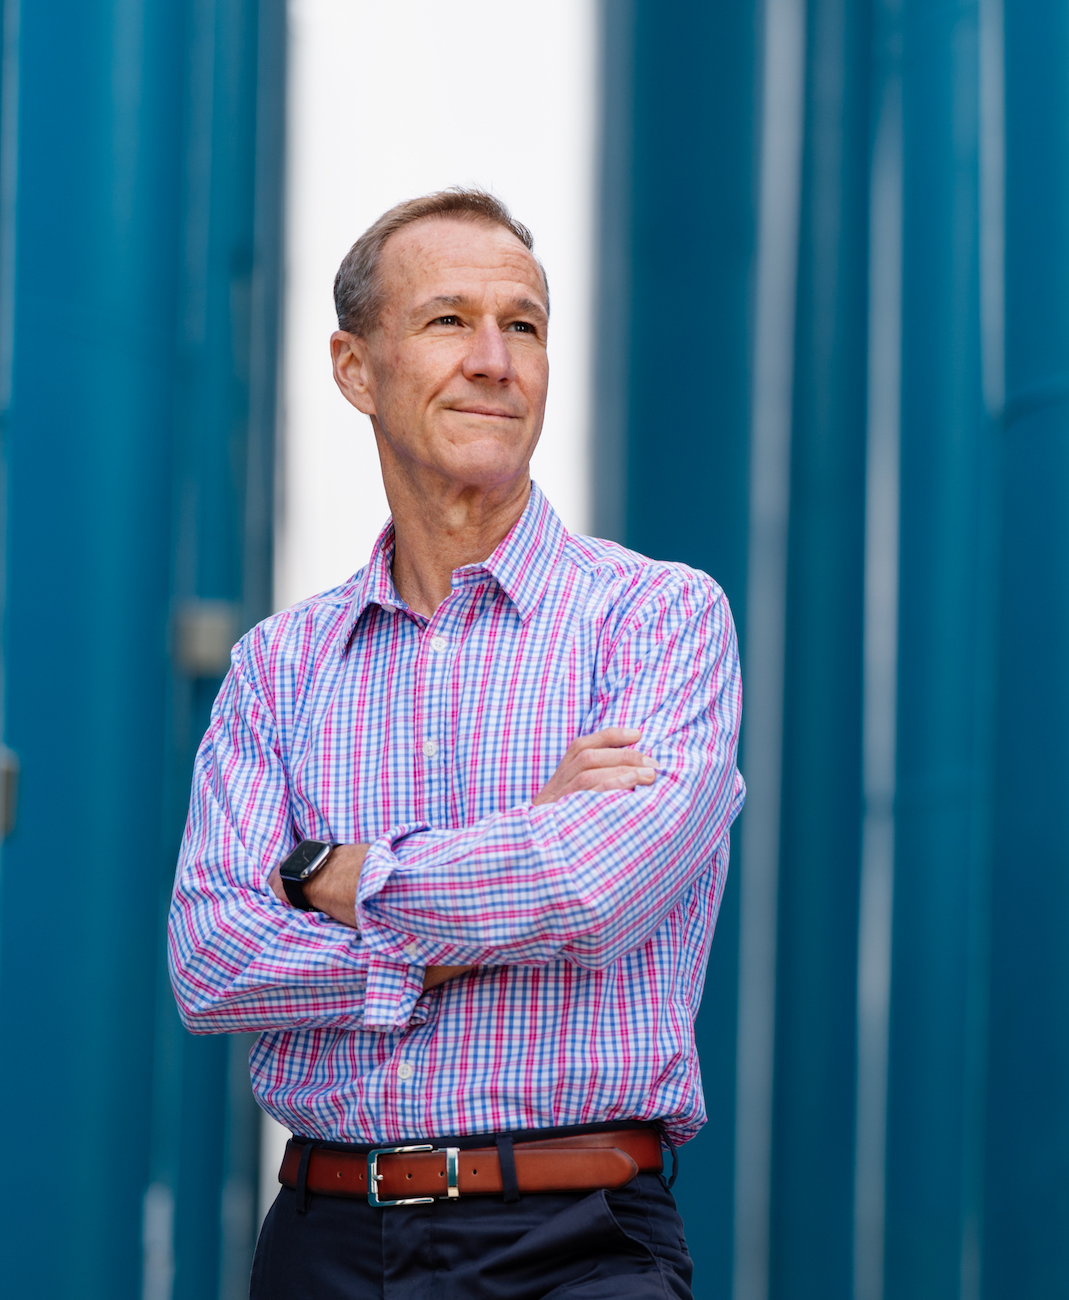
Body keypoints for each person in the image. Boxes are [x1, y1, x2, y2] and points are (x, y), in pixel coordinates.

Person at [168, 189, 744, 1297]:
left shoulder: (659, 619)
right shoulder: (279, 667)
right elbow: (211, 959)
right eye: (448, 321)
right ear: (355, 368)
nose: (495, 359)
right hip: (326, 1240)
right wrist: (510, 853)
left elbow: (591, 887)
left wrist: (338, 876)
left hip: (577, 1245)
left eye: (522, 325)